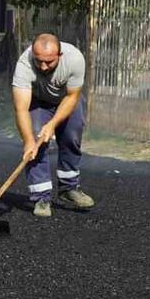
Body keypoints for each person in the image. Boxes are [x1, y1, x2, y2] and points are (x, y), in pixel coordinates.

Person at [11, 33, 96, 217]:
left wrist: (52, 125)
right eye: (39, 61)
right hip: (38, 102)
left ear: (60, 55)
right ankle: (41, 197)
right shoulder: (24, 65)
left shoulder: (74, 59)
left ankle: (69, 188)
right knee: (35, 142)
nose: (42, 66)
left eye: (48, 62)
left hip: (66, 100)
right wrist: (28, 141)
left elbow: (72, 96)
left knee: (72, 136)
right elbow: (21, 109)